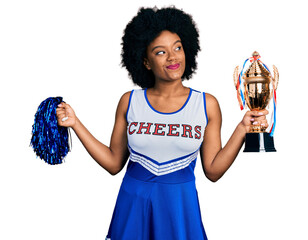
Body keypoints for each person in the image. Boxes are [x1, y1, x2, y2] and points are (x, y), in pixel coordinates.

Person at [56, 6, 268, 240]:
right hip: (133, 205)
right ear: (145, 62)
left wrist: (242, 130)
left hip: (179, 208)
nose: (173, 57)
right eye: (160, 52)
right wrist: (76, 124)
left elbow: (213, 171)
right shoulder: (130, 101)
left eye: (178, 47)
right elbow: (114, 163)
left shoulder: (206, 104)